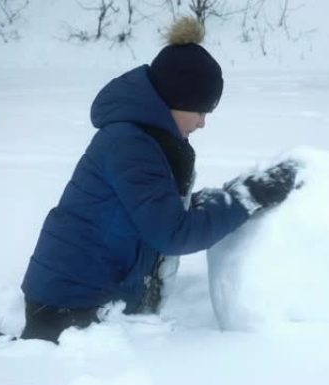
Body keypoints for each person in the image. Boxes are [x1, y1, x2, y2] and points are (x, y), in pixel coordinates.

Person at [18, 17, 298, 343]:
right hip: (67, 305)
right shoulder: (131, 144)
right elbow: (172, 233)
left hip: (74, 294)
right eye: (201, 110)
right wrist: (247, 198)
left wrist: (221, 199)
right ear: (175, 101)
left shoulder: (144, 136)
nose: (203, 123)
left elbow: (154, 209)